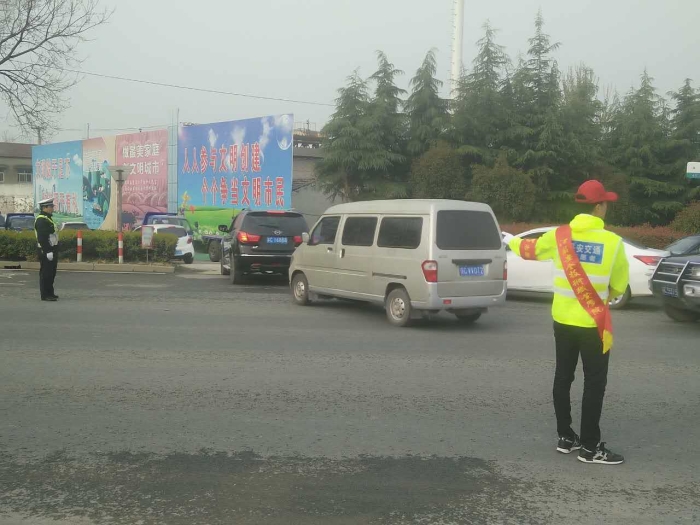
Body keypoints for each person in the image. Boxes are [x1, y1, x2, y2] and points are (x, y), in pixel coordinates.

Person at [508, 180, 629, 465]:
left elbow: (526, 249)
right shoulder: (612, 243)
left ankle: (565, 436)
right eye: (605, 203)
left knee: (563, 377)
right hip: (593, 325)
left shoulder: (558, 236)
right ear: (598, 207)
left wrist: (509, 239)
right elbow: (619, 287)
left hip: (562, 321)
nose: (606, 207)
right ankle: (589, 448)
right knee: (594, 383)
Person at [35, 198, 59, 302]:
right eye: (51, 206)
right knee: (46, 273)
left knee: (51, 273)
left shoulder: (47, 218)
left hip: (52, 249)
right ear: (45, 207)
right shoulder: (41, 220)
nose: (52, 208)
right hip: (46, 250)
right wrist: (48, 251)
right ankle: (45, 295)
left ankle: (50, 292)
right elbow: (42, 238)